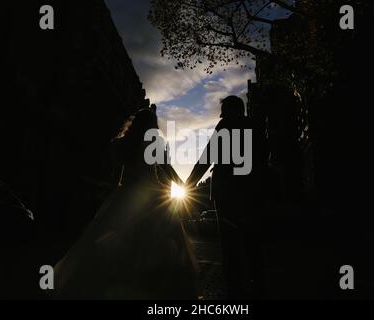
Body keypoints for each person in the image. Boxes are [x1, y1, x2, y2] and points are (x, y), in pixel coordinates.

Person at [52, 109, 198, 299]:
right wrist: (185, 186)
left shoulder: (122, 144)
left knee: (116, 240)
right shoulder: (155, 142)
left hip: (127, 195)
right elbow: (166, 168)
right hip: (151, 196)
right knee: (159, 244)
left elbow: (117, 175)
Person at [186, 96, 267, 299]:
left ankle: (235, 293)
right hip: (251, 194)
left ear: (227, 111)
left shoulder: (225, 126)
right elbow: (264, 156)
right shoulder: (254, 126)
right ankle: (257, 287)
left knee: (230, 248)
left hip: (227, 195)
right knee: (252, 245)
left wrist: (189, 183)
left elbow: (207, 156)